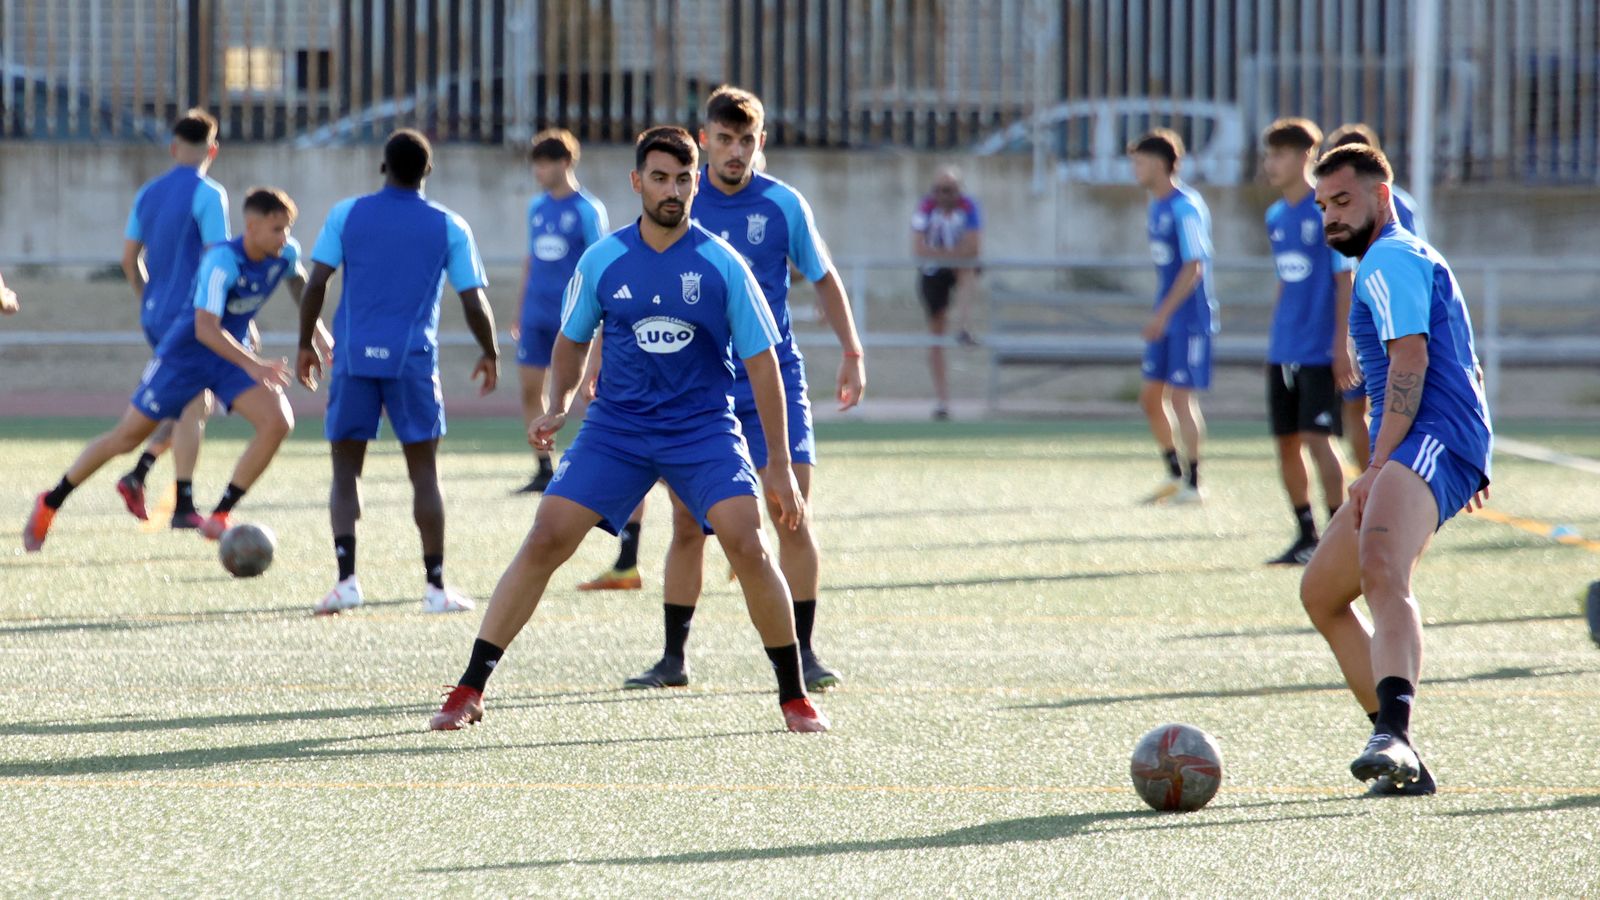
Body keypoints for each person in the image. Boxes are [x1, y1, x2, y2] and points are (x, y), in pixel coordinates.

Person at [427, 125, 829, 734]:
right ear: (637, 182)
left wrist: (777, 461)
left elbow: (763, 365)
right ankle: (469, 687)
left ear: (696, 184)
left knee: (748, 542)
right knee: (545, 538)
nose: (673, 190)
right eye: (661, 178)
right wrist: (558, 404)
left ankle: (794, 696)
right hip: (618, 428)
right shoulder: (604, 260)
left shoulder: (724, 265)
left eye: (684, 179)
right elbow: (571, 343)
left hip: (702, 431)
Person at [616, 85, 865, 693]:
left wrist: (853, 351)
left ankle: (802, 653)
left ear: (761, 144)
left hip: (774, 379)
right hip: (700, 387)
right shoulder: (680, 200)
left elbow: (824, 279)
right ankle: (673, 657)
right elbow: (632, 288)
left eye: (746, 141)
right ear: (704, 140)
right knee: (685, 525)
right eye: (724, 139)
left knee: (792, 515)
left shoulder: (783, 205)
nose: (735, 152)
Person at [1301, 144, 1492, 796]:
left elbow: (1411, 361)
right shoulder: (1395, 259)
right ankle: (1396, 750)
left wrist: (1380, 465)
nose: (1331, 216)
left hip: (1427, 436)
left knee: (1382, 568)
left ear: (1383, 197)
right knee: (1322, 594)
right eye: (1323, 205)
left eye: (1343, 200)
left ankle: (1396, 734)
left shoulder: (1388, 256)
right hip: (1437, 439)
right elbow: (1461, 353)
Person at [25, 188, 322, 551]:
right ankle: (51, 501)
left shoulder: (285, 254)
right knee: (127, 438)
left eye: (288, 229)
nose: (285, 237)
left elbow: (300, 282)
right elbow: (205, 328)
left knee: (277, 421)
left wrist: (317, 335)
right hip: (184, 358)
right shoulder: (223, 262)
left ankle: (221, 515)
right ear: (252, 226)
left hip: (229, 358)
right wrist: (255, 365)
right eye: (277, 229)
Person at [296, 129, 500, 617]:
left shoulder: (346, 214)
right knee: (425, 474)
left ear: (382, 167)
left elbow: (317, 283)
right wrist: (490, 351)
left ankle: (346, 581)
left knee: (345, 472)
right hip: (411, 363)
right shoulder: (449, 225)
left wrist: (305, 343)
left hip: (352, 361)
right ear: (427, 171)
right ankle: (435, 589)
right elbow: (473, 299)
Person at [115, 109, 232, 530]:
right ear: (212, 151)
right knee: (194, 404)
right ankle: (181, 503)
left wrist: (148, 299)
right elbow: (219, 259)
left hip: (156, 314)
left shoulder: (147, 193)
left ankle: (141, 473)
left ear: (173, 147)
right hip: (193, 316)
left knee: (190, 399)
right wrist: (232, 318)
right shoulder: (209, 193)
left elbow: (130, 259)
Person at [1260, 118, 1357, 565]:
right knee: (1286, 441)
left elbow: (1344, 282)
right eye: (1268, 155)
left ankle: (1342, 532)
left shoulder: (1324, 213)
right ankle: (1305, 534)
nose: (1270, 164)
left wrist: (1342, 345)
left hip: (1320, 351)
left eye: (1278, 155)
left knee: (1320, 439)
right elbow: (1286, 279)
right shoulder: (1276, 215)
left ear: (1304, 157)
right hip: (1284, 349)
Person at [1325, 123, 1429, 471]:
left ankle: (1380, 476)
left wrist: (1346, 342)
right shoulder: (1389, 206)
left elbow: (1352, 272)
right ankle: (1374, 475)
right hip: (1377, 321)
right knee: (1366, 405)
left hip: (1383, 321)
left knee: (1382, 404)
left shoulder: (1387, 217)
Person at [511, 128, 609, 494]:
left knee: (585, 392)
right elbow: (530, 260)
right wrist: (520, 310)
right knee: (529, 389)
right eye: (536, 164)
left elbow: (600, 264)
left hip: (573, 316)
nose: (538, 171)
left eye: (546, 163)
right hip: (536, 313)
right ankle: (543, 465)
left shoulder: (587, 209)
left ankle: (590, 463)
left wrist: (601, 317)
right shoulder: (537, 207)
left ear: (565, 163)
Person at [1129, 129, 1217, 505]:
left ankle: (1195, 484)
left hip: (1190, 318)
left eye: (1140, 162)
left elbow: (1194, 266)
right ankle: (1174, 474)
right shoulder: (1156, 206)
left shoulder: (1186, 206)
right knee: (1150, 398)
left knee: (1181, 398)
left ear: (1161, 164)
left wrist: (1162, 315)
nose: (1135, 169)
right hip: (1167, 316)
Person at [911, 168, 982, 420]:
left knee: (967, 271)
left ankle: (964, 326)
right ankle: (942, 400)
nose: (944, 195)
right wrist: (947, 257)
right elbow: (918, 247)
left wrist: (954, 258)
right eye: (939, 190)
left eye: (949, 190)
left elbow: (974, 246)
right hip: (934, 271)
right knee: (936, 333)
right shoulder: (926, 208)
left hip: (959, 266)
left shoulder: (968, 206)